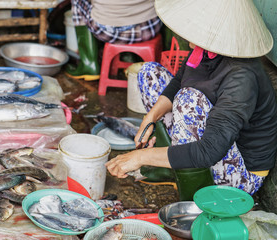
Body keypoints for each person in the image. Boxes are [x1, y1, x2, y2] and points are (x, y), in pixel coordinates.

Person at [106, 0, 277, 195]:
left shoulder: (241, 77)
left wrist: (140, 157)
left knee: (188, 101)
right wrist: (149, 119)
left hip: (239, 175)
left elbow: (209, 150)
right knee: (149, 73)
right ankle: (175, 167)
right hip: (210, 139)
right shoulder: (207, 51)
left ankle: (192, 191)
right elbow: (177, 83)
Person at [65, 0, 162, 81]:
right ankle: (127, 56)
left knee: (77, 1)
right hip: (151, 26)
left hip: (113, 32)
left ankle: (89, 64)